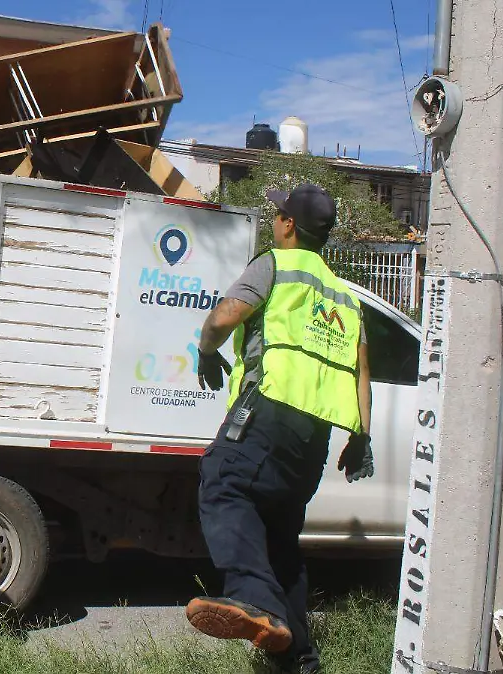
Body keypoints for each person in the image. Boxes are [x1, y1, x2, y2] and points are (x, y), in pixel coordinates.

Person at [185, 184, 375, 674]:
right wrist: (362, 439)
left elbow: (225, 316)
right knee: (280, 543)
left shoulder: (275, 265)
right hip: (313, 442)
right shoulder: (344, 297)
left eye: (277, 213)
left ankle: (256, 603)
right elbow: (361, 375)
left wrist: (207, 351)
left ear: (289, 225)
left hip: (267, 413)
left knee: (223, 485)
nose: (273, 219)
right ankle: (299, 661)